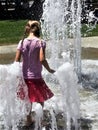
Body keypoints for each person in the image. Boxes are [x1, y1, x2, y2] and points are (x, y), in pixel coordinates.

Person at [15, 20, 55, 126]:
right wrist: (49, 69)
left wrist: (16, 74)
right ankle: (40, 120)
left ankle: (28, 120)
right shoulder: (40, 42)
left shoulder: (22, 42)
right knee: (40, 99)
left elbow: (16, 60)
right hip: (36, 77)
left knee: (27, 99)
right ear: (38, 29)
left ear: (28, 29)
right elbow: (42, 59)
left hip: (24, 76)